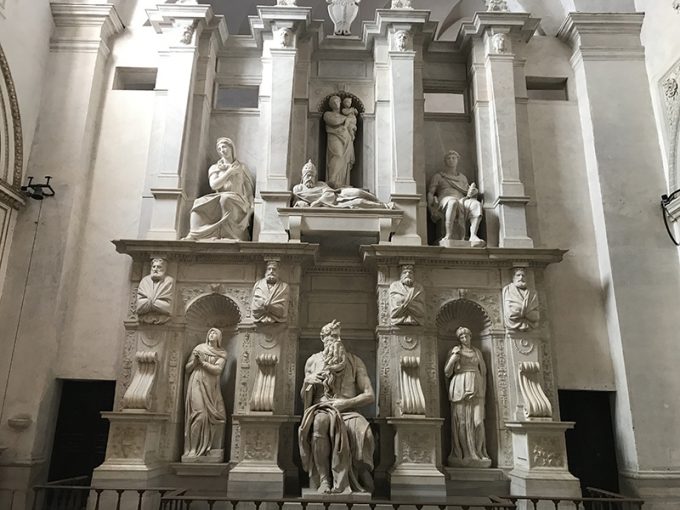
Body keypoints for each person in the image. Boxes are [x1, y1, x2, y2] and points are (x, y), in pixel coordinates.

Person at [298, 320, 375, 494]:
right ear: (323, 338)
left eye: (339, 336)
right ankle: (324, 479)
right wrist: (307, 382)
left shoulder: (355, 361)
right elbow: (304, 399)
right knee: (320, 422)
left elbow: (369, 395)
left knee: (366, 432)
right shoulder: (313, 361)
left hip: (349, 410)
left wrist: (346, 403)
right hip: (322, 408)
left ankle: (361, 470)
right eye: (333, 336)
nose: (338, 340)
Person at [184, 137, 254, 241]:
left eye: (224, 147)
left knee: (226, 199)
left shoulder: (242, 167)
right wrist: (229, 172)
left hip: (237, 199)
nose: (222, 150)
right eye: (219, 149)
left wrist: (251, 206)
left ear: (231, 148)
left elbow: (248, 191)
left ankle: (228, 235)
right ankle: (195, 233)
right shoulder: (215, 167)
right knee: (198, 202)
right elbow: (214, 185)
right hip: (219, 196)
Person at [444, 327, 491, 468]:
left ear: (471, 336)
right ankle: (465, 454)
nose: (464, 339)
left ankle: (478, 452)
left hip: (476, 387)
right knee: (462, 424)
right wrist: (453, 359)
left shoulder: (477, 352)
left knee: (478, 422)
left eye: (466, 336)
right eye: (461, 337)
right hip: (459, 387)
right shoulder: (455, 351)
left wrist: (482, 389)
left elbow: (483, 372)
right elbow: (447, 372)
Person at [183, 328, 227, 461]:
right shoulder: (199, 348)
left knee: (215, 416)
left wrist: (203, 363)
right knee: (200, 415)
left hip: (211, 387)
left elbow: (218, 370)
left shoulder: (222, 353)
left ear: (219, 338)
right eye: (210, 333)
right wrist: (195, 362)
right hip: (196, 382)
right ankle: (192, 449)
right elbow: (187, 369)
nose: (212, 334)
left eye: (215, 333)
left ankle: (207, 449)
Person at [427, 150, 484, 246]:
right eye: (448, 158)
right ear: (445, 161)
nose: (451, 160)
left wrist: (473, 192)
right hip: (444, 199)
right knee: (453, 202)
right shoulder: (439, 176)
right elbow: (431, 193)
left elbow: (467, 191)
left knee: (476, 204)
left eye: (453, 158)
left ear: (457, 160)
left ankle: (473, 235)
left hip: (462, 199)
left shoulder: (462, 177)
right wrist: (431, 207)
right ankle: (448, 235)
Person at [292, 160, 391, 209]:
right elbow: (296, 203)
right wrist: (301, 204)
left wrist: (318, 202)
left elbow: (329, 193)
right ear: (303, 176)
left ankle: (378, 200)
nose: (310, 178)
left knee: (358, 192)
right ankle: (383, 206)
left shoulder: (320, 184)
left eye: (312, 176)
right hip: (335, 204)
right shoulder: (298, 189)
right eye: (308, 175)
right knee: (359, 202)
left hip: (338, 195)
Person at [323, 95, 356, 188]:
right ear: (330, 105)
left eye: (337, 101)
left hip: (346, 139)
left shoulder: (344, 116)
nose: (335, 103)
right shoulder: (327, 114)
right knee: (338, 155)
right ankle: (332, 178)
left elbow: (352, 125)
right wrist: (346, 119)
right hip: (334, 138)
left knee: (345, 159)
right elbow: (334, 121)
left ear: (340, 103)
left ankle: (342, 182)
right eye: (333, 102)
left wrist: (351, 127)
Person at [136, 258, 174, 323]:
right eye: (154, 267)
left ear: (164, 269)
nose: (155, 269)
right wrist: (157, 303)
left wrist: (148, 302)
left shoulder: (168, 281)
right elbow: (139, 306)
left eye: (159, 267)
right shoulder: (145, 280)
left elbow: (168, 308)